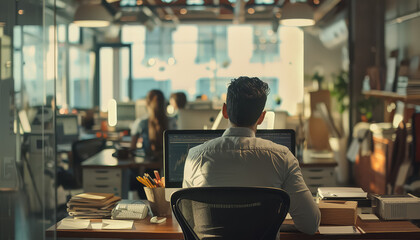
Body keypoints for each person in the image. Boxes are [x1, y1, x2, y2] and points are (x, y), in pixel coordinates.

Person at [182, 76, 320, 235]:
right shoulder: (282, 157)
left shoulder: (194, 157)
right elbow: (310, 225)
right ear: (261, 117)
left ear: (225, 111)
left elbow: (187, 222)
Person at [130, 89, 177, 158]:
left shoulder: (141, 122)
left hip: (147, 165)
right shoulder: (172, 122)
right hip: (167, 165)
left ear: (147, 104)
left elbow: (132, 148)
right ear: (164, 103)